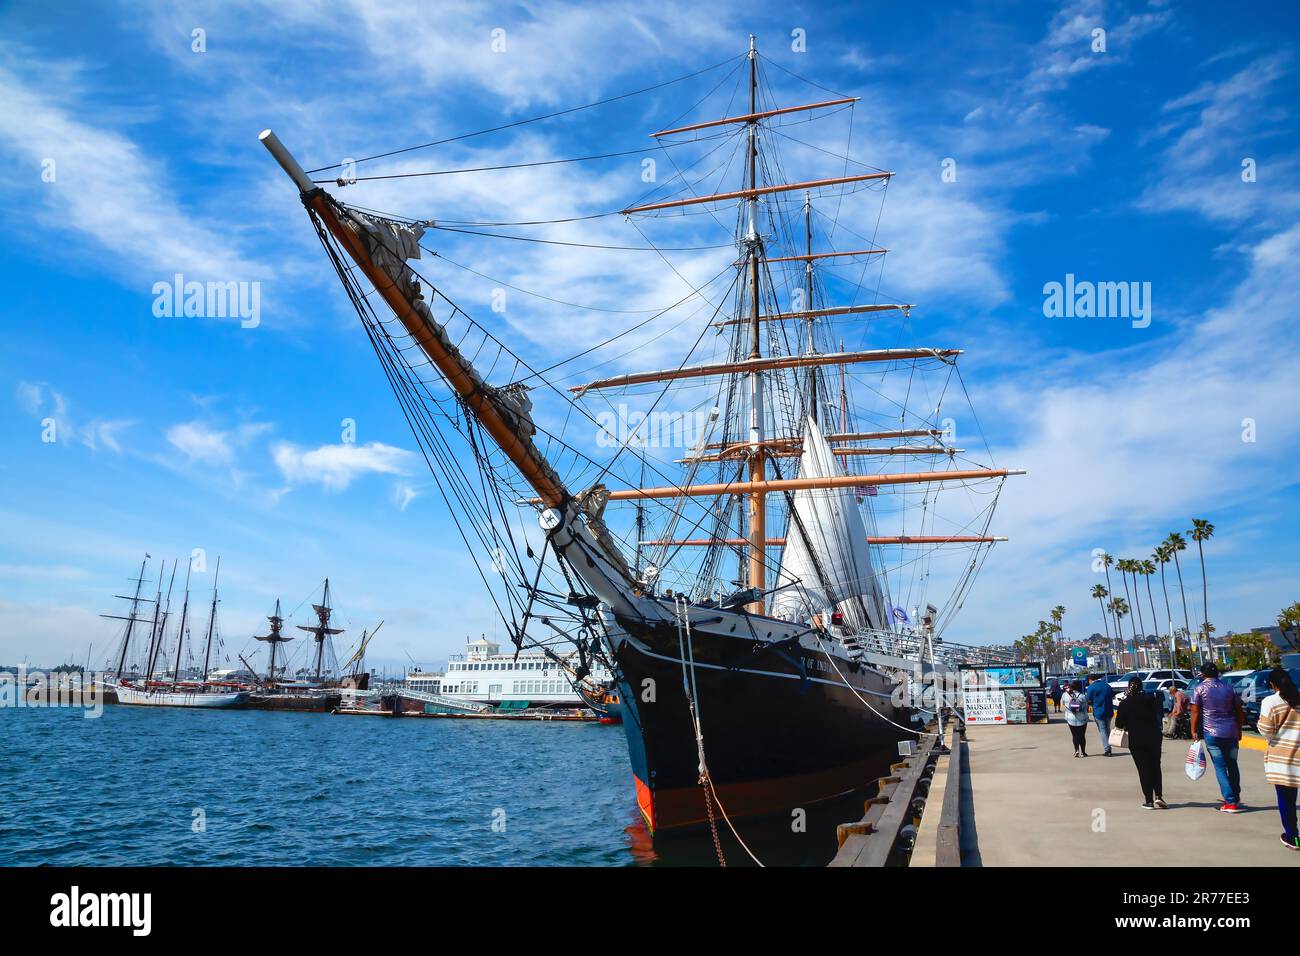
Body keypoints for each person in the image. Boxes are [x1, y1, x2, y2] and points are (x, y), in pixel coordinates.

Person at [1190, 661, 1246, 812]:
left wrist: (1193, 730)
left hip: (1212, 733)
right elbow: (1240, 711)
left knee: (1220, 766)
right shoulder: (1229, 687)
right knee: (1232, 764)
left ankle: (1230, 801)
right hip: (1231, 732)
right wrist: (1239, 729)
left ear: (1203, 674)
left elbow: (1195, 711)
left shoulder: (1199, 688)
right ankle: (1236, 795)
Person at [1254, 668, 1300, 850]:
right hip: (1297, 754)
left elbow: (1265, 730)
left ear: (1273, 685)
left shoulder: (1270, 701)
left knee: (1284, 798)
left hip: (1280, 757)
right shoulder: (1297, 699)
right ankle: (1293, 835)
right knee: (1292, 796)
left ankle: (1292, 835)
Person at [1115, 677, 1167, 809]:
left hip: (1136, 738)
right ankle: (1159, 796)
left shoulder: (1124, 703)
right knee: (1155, 766)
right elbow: (1159, 714)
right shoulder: (1151, 699)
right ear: (1141, 686)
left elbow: (1119, 724)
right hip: (1154, 736)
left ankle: (1148, 800)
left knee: (1143, 769)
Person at [1085, 673, 1116, 756]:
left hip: (1099, 711)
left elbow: (1088, 699)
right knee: (1107, 729)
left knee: (1102, 730)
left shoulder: (1091, 687)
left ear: (1090, 680)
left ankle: (1107, 750)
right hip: (1109, 711)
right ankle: (1109, 747)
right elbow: (1112, 695)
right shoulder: (1107, 685)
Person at [1063, 679, 1089, 756]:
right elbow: (1085, 707)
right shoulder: (1082, 696)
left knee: (1074, 735)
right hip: (1082, 719)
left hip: (1071, 719)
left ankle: (1076, 751)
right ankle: (1083, 752)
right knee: (1082, 735)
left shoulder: (1065, 695)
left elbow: (1063, 703)